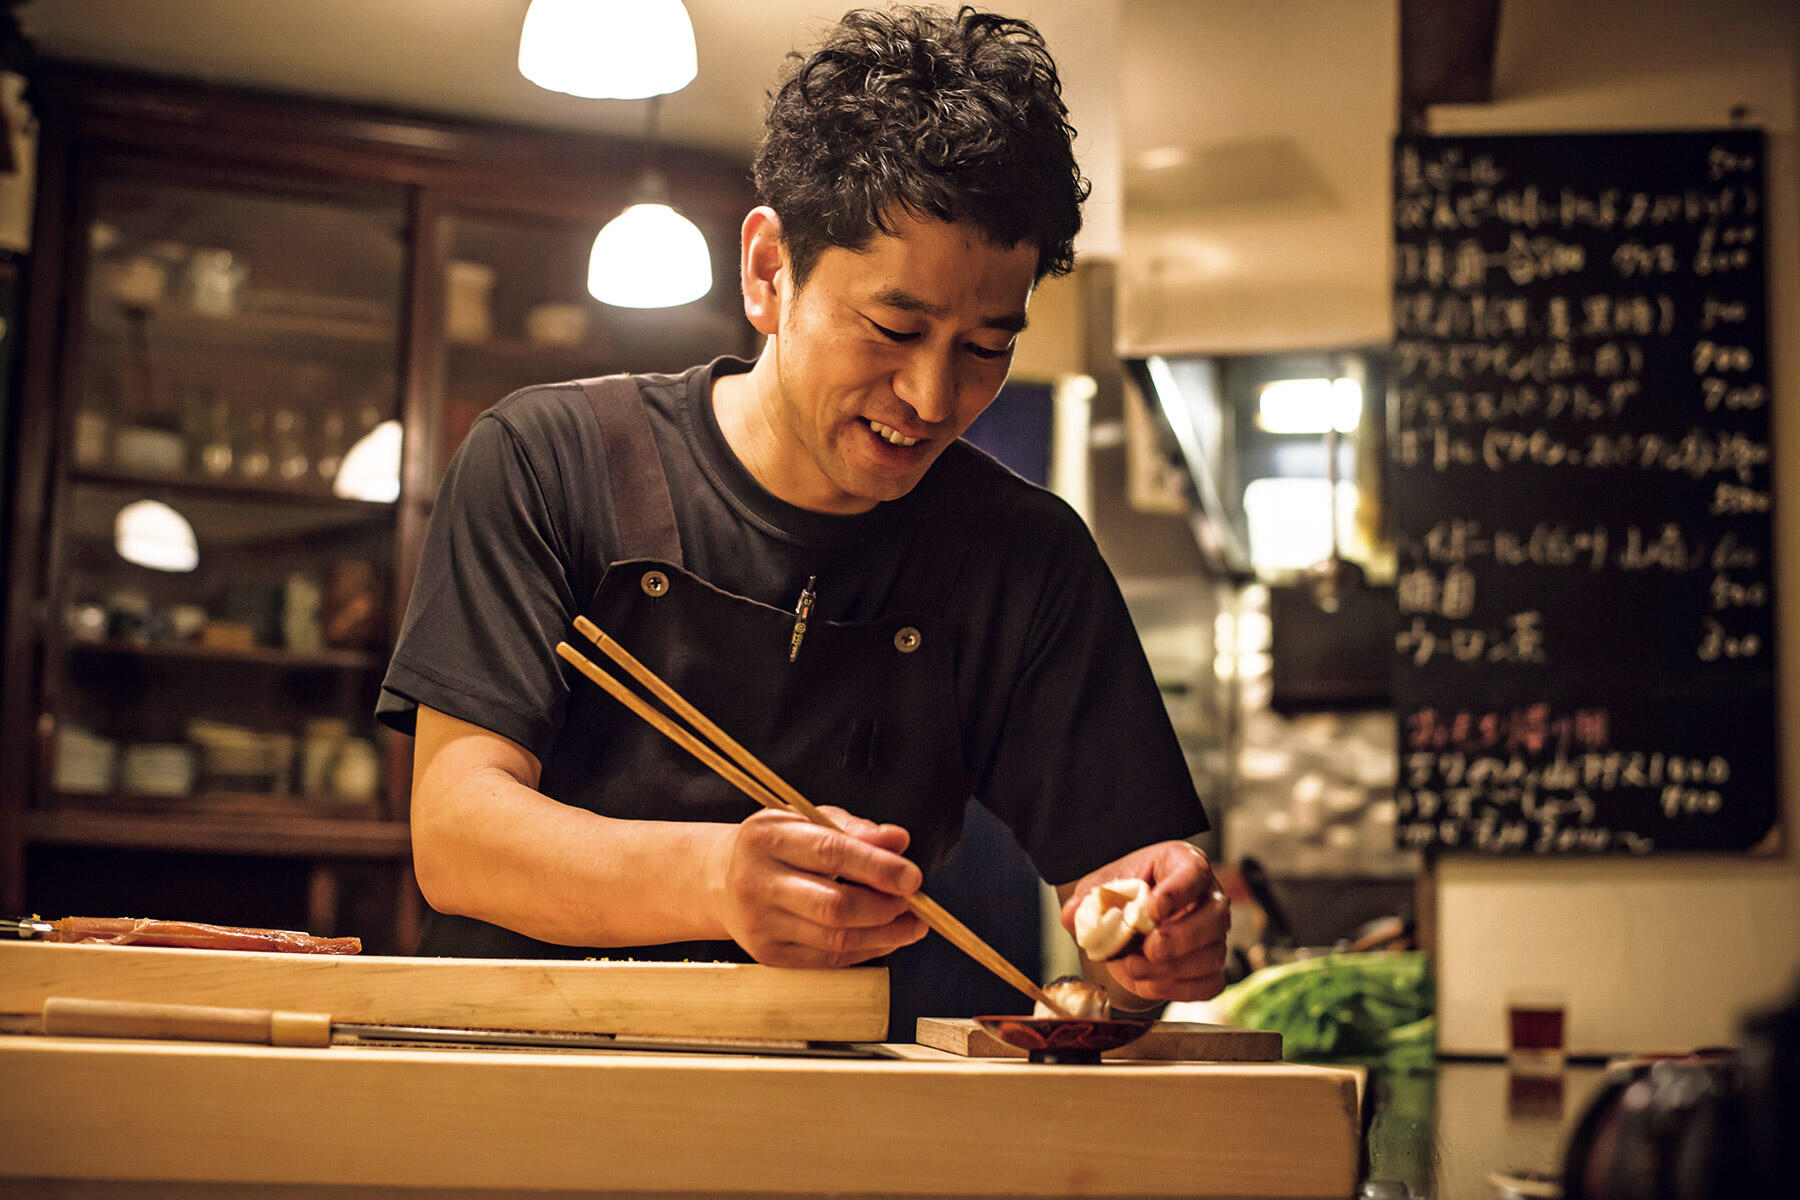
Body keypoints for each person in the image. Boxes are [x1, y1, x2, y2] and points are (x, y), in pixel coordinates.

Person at [376, 4, 1229, 1026]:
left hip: (828, 1121)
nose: (931, 397)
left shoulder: (1025, 559)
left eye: (986, 347)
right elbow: (458, 836)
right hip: (510, 1088)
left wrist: (1156, 941)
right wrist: (714, 877)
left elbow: (1118, 907)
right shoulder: (548, 462)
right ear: (770, 271)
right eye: (894, 327)